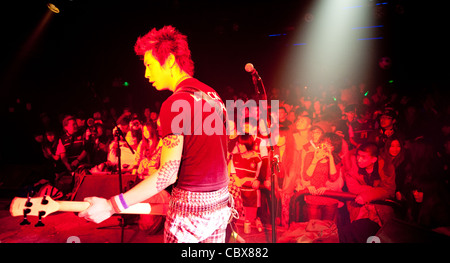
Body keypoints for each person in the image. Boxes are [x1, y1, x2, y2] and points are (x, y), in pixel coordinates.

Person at [79, 25, 231, 243]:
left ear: (169, 60)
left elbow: (168, 172)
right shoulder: (213, 95)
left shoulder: (175, 103)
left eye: (149, 65)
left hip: (190, 210)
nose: (146, 73)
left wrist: (112, 205)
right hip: (220, 203)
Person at [339, 142, 396, 243]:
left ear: (374, 159)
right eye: (358, 155)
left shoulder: (386, 167)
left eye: (363, 157)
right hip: (359, 210)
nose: (358, 159)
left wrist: (367, 195)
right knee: (355, 235)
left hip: (380, 212)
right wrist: (378, 191)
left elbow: (390, 190)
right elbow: (352, 187)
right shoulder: (353, 165)